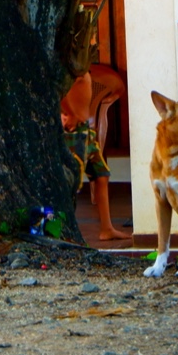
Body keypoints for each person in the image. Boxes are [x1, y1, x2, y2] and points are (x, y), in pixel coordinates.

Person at [61, 62, 128, 240]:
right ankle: (64, 228)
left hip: (86, 131)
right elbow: (59, 91)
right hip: (74, 131)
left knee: (102, 175)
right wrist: (67, 114)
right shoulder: (65, 69)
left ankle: (107, 228)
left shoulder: (80, 67)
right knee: (70, 181)